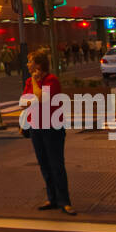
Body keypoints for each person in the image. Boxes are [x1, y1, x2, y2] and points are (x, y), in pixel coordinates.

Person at [22, 49, 76, 215]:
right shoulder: (29, 82)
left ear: (38, 65)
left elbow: (41, 99)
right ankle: (51, 198)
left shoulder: (51, 80)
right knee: (44, 164)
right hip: (36, 127)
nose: (27, 64)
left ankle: (64, 201)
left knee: (56, 165)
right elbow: (24, 101)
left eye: (30, 61)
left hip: (52, 128)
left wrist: (36, 86)